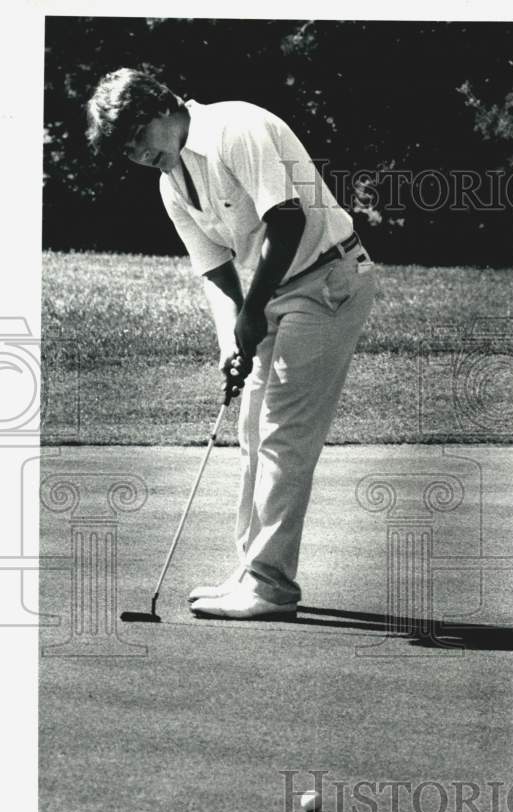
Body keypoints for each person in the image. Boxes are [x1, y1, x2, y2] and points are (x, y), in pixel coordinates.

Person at [86, 68, 376, 621]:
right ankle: (250, 572)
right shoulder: (172, 184)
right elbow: (216, 270)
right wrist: (232, 337)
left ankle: (269, 585)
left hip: (328, 279)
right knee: (251, 430)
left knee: (281, 433)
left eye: (137, 136)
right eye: (125, 150)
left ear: (161, 108)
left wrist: (253, 311)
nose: (136, 153)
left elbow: (287, 222)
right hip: (276, 292)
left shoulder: (232, 127)